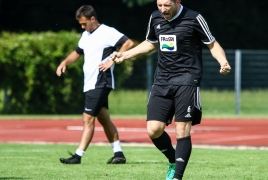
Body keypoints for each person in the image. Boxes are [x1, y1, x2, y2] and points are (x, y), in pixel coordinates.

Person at [100, 0, 231, 179]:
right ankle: (172, 159)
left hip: (187, 79)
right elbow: (151, 43)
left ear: (177, 2)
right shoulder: (155, 18)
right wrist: (125, 55)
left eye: (167, 5)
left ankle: (177, 176)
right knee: (154, 130)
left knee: (182, 130)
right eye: (159, 5)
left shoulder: (194, 18)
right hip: (162, 80)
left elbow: (212, 44)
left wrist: (223, 62)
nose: (163, 9)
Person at [56, 5, 134, 165]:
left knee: (87, 118)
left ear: (93, 19)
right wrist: (65, 62)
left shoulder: (107, 32)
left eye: (84, 23)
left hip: (100, 82)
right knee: (104, 119)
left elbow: (128, 43)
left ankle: (77, 156)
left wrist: (112, 60)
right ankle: (119, 154)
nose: (82, 27)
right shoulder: (85, 35)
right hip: (90, 83)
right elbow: (77, 52)